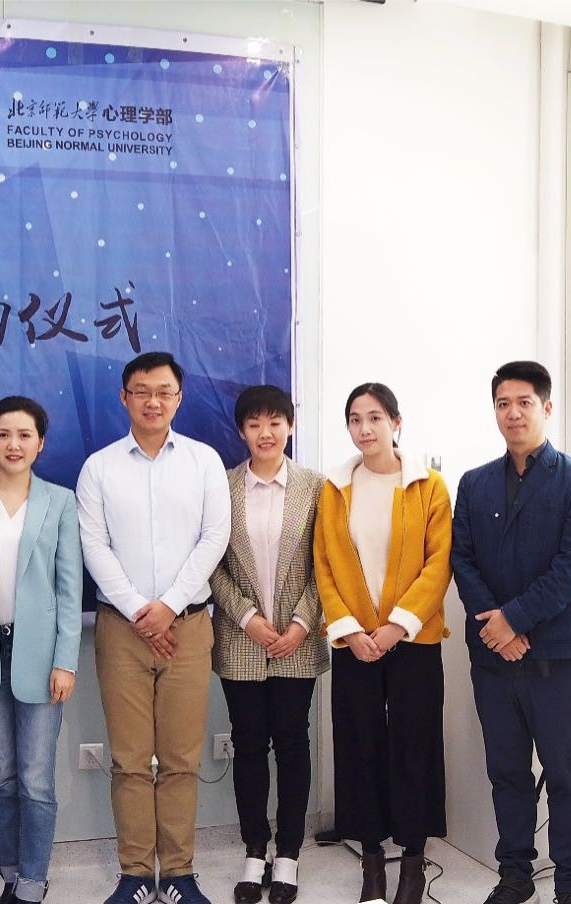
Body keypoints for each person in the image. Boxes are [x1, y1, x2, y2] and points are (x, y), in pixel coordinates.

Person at [76, 351, 230, 904]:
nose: (153, 401)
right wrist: (142, 611)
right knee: (130, 761)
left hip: (188, 626)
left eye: (164, 391)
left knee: (182, 760)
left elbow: (214, 538)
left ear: (179, 398)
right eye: (141, 391)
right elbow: (95, 547)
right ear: (124, 397)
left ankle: (180, 874)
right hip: (121, 631)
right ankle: (136, 873)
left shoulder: (204, 461)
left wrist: (169, 605)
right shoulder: (98, 468)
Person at [451, 361, 571, 904]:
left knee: (565, 775)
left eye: (524, 402)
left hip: (554, 655)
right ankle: (514, 874)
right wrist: (497, 626)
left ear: (546, 407)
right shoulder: (474, 483)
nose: (512, 413)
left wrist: (513, 619)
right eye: (503, 403)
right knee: (507, 773)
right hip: (493, 658)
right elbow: (462, 561)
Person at [313, 382, 451, 904]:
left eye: (374, 417)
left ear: (396, 422)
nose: (364, 428)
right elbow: (324, 565)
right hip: (355, 643)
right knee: (360, 746)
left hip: (413, 641)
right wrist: (350, 630)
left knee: (415, 746)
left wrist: (396, 626)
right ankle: (371, 863)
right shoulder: (335, 487)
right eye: (355, 419)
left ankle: (413, 864)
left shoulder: (428, 486)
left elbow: (438, 564)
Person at [0, 396, 82, 904]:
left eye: (24, 435)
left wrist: (65, 660)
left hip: (42, 657)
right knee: (2, 772)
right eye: (3, 434)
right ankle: (9, 872)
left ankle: (33, 879)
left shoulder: (59, 501)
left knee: (35, 777)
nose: (13, 444)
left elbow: (69, 589)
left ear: (40, 443)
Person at [207, 385, 327, 904]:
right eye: (255, 424)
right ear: (241, 431)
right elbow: (210, 561)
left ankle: (290, 854)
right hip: (241, 639)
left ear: (290, 426)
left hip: (298, 640)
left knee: (293, 743)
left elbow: (327, 563)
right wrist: (247, 617)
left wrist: (301, 622)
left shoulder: (316, 487)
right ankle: (255, 850)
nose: (266, 433)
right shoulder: (222, 486)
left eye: (275, 422)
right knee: (250, 744)